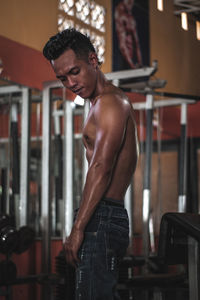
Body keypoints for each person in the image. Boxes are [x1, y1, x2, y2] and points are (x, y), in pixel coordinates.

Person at [43, 28, 139, 300]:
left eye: (75, 71)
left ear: (93, 60)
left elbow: (101, 167)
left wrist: (78, 229)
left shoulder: (110, 102)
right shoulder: (98, 103)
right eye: (62, 78)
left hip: (103, 217)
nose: (70, 82)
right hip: (103, 216)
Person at [114, 0, 143, 69]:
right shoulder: (121, 16)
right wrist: (133, 66)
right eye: (129, 2)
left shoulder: (131, 19)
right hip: (123, 60)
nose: (131, 4)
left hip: (130, 58)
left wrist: (140, 62)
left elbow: (136, 43)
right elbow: (122, 46)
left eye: (132, 2)